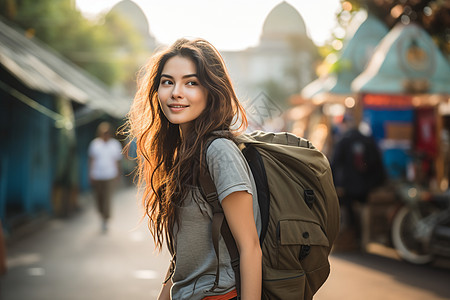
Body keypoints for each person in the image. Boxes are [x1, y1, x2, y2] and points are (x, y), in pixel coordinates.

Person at [125, 38, 262, 300]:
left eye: (191, 83)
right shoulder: (182, 154)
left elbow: (250, 248)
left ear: (211, 91)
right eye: (168, 82)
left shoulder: (219, 152)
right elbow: (185, 260)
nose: (176, 92)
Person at [331, 114, 385, 249]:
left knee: (347, 210)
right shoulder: (367, 139)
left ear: (344, 125)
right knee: (364, 208)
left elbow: (335, 163)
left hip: (347, 185)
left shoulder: (343, 141)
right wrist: (376, 182)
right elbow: (377, 163)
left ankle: (351, 240)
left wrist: (334, 183)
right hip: (365, 184)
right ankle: (365, 240)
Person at [88, 122, 123, 233]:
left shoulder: (115, 145)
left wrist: (118, 174)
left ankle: (105, 219)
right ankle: (102, 215)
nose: (106, 135)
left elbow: (117, 161)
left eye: (107, 133)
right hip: (97, 175)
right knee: (99, 198)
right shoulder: (95, 144)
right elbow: (91, 160)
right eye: (104, 133)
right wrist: (91, 174)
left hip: (110, 175)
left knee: (107, 198)